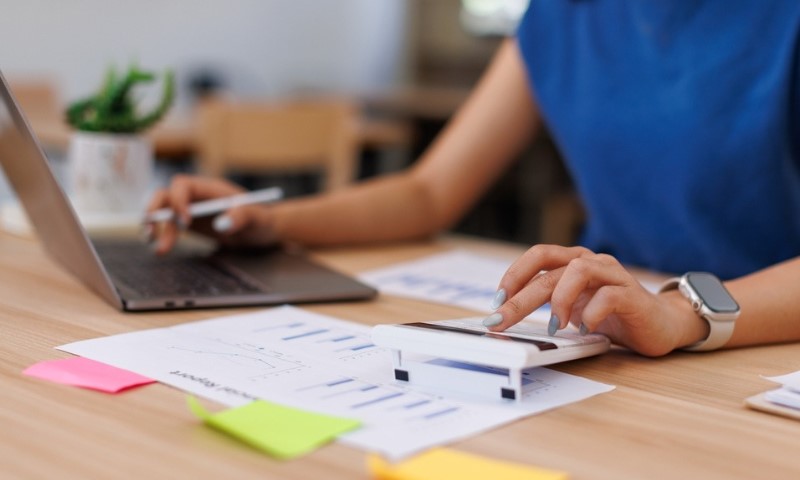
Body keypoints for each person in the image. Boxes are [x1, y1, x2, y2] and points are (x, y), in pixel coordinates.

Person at [146, 1, 800, 357]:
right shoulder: (560, 15)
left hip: (757, 344)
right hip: (609, 339)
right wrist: (273, 224)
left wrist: (681, 313)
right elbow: (430, 191)